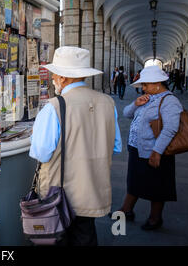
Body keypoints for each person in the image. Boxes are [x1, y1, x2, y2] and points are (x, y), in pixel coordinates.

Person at [29, 46, 122, 246]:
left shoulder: (54, 107)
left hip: (60, 194)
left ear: (63, 78)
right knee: (85, 235)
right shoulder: (108, 103)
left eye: (55, 74)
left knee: (55, 239)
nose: (53, 78)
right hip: (93, 190)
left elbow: (41, 153)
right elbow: (115, 146)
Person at [117, 65, 183, 230]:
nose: (143, 88)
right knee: (134, 181)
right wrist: (135, 103)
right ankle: (126, 210)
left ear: (157, 84)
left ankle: (155, 218)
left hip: (155, 151)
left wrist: (157, 151)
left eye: (145, 84)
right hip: (137, 148)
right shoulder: (147, 98)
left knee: (157, 186)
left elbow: (170, 128)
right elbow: (126, 113)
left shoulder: (170, 101)